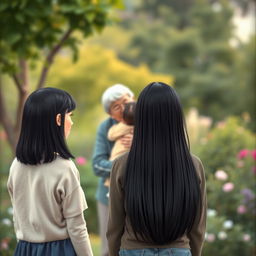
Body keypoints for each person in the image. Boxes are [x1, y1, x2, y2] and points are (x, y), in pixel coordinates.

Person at [107, 82, 207, 256]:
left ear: (141, 117)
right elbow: (197, 227)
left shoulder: (122, 164)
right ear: (176, 117)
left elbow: (115, 225)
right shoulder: (194, 165)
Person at [7, 87, 93, 256]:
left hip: (25, 249)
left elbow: (18, 218)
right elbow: (77, 228)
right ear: (58, 119)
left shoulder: (16, 165)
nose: (72, 122)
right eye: (70, 115)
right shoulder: (64, 167)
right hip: (60, 251)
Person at [92, 84, 134, 256]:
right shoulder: (106, 127)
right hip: (108, 195)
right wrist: (126, 165)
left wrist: (139, 146)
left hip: (138, 194)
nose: (123, 108)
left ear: (134, 99)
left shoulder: (148, 120)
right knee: (110, 248)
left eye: (126, 102)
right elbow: (97, 165)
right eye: (117, 107)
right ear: (110, 114)